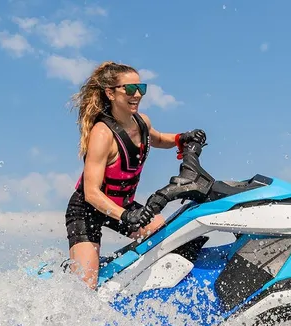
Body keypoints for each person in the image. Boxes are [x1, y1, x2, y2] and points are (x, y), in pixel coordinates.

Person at [65, 61, 206, 289]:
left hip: (121, 207)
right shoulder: (102, 134)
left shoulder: (142, 122)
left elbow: (158, 138)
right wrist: (124, 216)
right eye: (130, 89)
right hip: (87, 211)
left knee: (164, 233)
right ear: (110, 93)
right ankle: (75, 270)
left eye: (141, 88)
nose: (137, 94)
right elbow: (91, 193)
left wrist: (182, 137)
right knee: (85, 287)